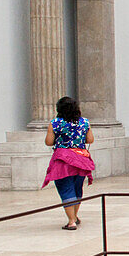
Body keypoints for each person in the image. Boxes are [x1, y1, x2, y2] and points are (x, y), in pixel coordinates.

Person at [41, 96, 95, 230]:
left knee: (66, 188)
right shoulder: (84, 122)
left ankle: (71, 221)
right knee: (77, 188)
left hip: (63, 160)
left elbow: (48, 142)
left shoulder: (55, 123)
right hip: (81, 159)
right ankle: (75, 217)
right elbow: (90, 139)